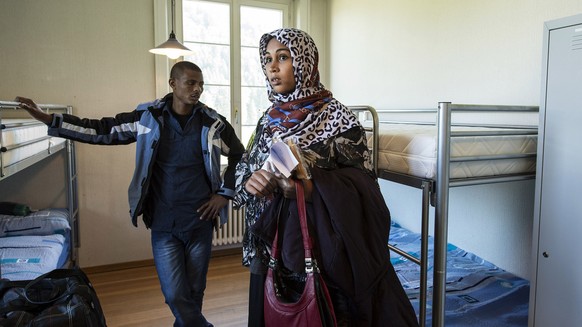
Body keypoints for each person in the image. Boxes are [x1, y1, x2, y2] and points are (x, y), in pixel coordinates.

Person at [15, 61, 245, 327]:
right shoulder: (147, 117)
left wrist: (224, 194)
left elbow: (239, 154)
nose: (197, 89)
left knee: (194, 293)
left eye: (201, 84)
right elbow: (101, 130)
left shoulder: (212, 122)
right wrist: (50, 119)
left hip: (200, 222)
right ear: (173, 83)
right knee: (174, 294)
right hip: (164, 222)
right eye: (191, 83)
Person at [232, 28, 420, 326]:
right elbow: (244, 164)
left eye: (283, 57)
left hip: (316, 250)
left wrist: (310, 189)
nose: (272, 67)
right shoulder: (268, 119)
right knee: (271, 313)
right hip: (269, 246)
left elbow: (364, 186)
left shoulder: (337, 118)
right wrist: (249, 180)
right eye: (267, 59)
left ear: (303, 62)